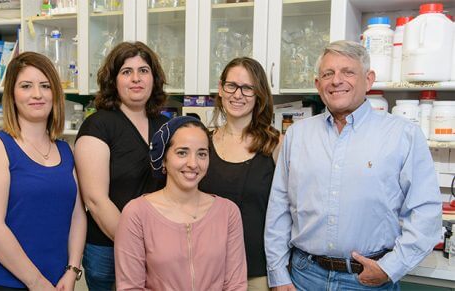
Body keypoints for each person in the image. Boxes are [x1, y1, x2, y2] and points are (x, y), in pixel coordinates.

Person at [264, 40, 442, 290]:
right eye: (328, 74)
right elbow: (279, 208)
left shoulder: (403, 135)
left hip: (368, 280)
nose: (337, 80)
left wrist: (390, 268)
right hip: (303, 276)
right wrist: (278, 274)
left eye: (348, 72)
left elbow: (426, 212)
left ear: (368, 80)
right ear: (318, 84)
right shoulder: (297, 135)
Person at [0, 52, 87, 290]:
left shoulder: (65, 150)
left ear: (55, 94)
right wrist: (36, 282)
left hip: (57, 280)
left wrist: (72, 270)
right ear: (12, 95)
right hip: (2, 281)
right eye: (26, 86)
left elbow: (77, 215)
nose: (37, 94)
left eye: (45, 86)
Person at [74, 41, 169, 290]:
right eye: (126, 72)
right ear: (114, 81)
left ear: (154, 78)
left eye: (144, 71)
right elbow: (95, 200)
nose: (136, 79)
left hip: (159, 246)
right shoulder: (98, 125)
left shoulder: (166, 126)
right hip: (107, 248)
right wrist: (139, 247)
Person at [114, 116, 247, 290]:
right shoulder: (136, 213)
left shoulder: (228, 212)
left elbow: (236, 284)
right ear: (163, 158)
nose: (193, 163)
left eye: (201, 154)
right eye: (182, 152)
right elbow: (130, 287)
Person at [199, 57, 280, 291]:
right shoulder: (202, 143)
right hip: (206, 268)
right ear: (221, 89)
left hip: (257, 272)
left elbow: (288, 212)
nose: (238, 94)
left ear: (259, 94)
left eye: (247, 88)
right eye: (231, 85)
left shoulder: (276, 146)